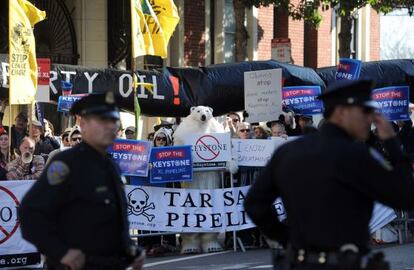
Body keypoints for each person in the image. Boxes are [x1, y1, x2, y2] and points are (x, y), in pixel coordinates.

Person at [244, 79, 414, 270]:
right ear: (342, 113)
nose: (370, 119)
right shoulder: (357, 155)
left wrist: (286, 237)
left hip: (298, 262)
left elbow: (254, 204)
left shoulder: (288, 152)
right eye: (365, 111)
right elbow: (405, 197)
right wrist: (392, 144)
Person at [19, 92, 145, 270]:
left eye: (114, 120)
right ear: (83, 124)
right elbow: (30, 212)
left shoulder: (110, 165)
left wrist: (130, 249)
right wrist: (61, 252)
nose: (110, 126)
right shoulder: (65, 164)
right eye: (102, 120)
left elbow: (112, 220)